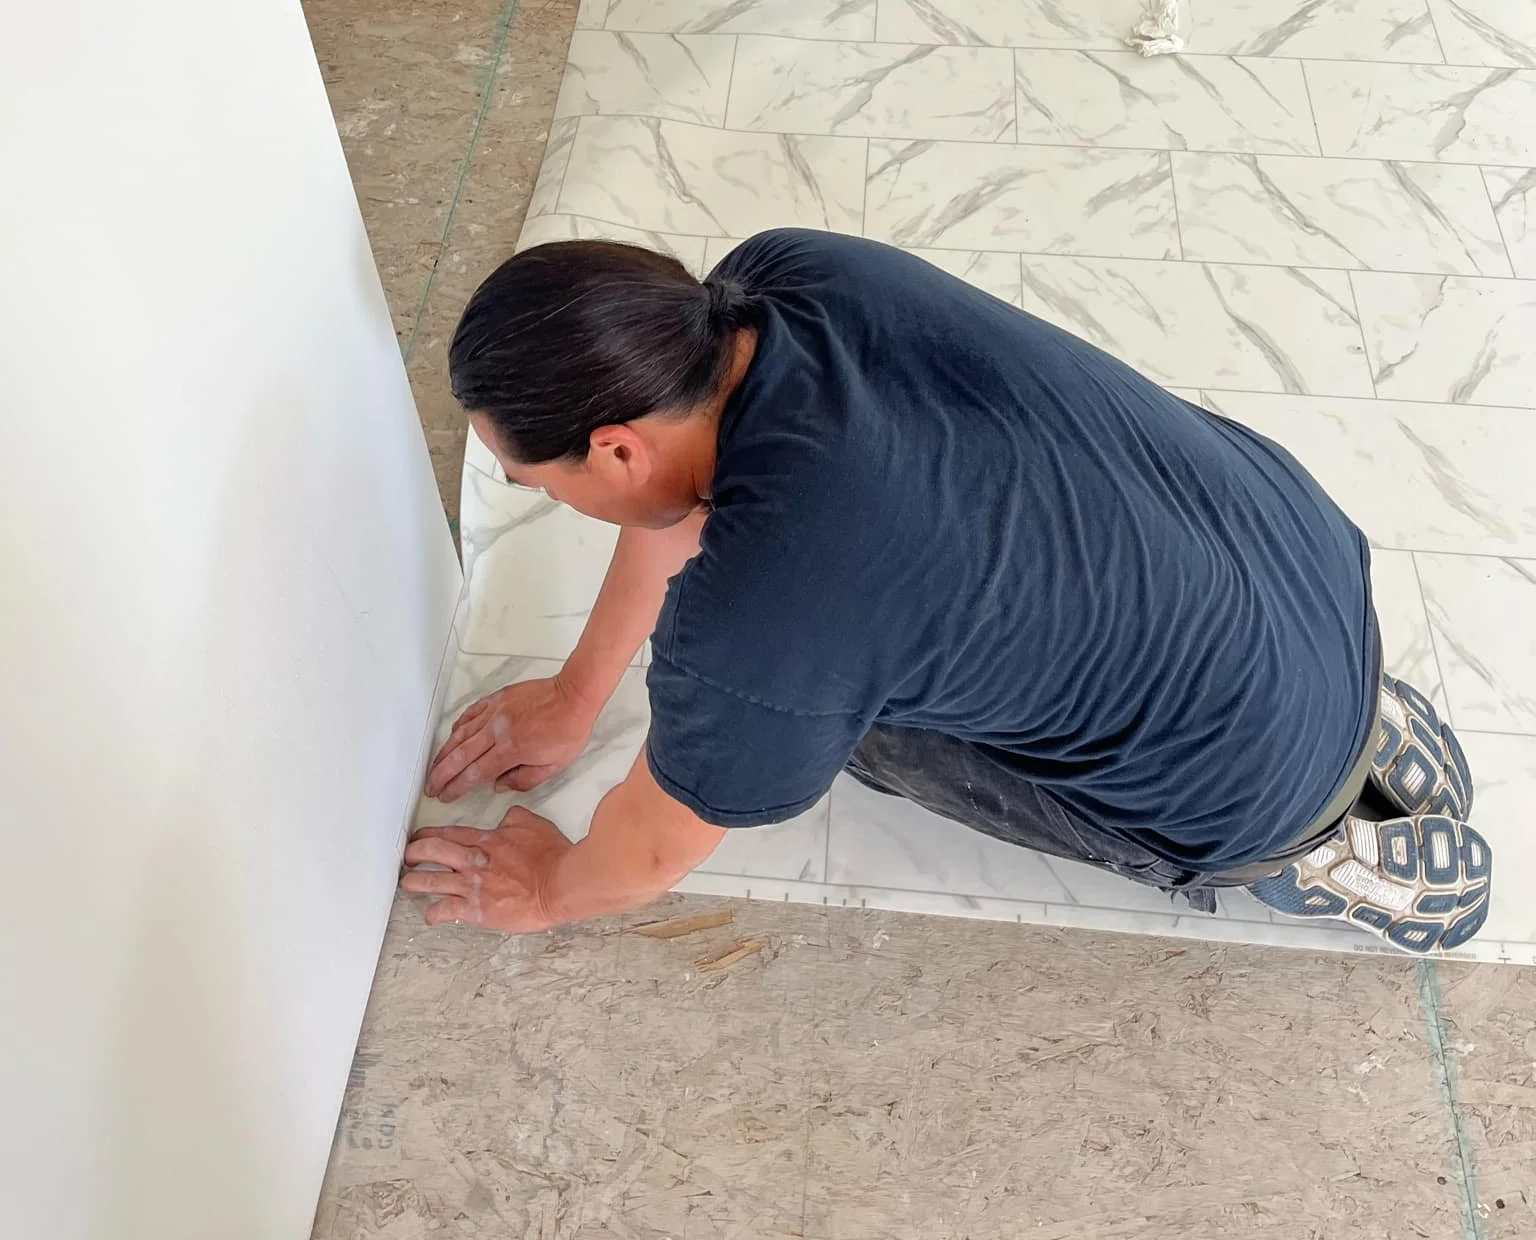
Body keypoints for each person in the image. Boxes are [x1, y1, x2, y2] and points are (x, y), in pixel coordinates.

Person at [403, 231, 1491, 953]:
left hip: (1247, 786)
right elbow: (682, 507)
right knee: (880, 634)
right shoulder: (779, 278)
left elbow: (645, 850)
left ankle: (1316, 849)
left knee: (844, 731)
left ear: (616, 447)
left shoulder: (757, 629)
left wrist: (545, 886)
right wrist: (577, 692)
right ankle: (1354, 720)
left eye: (533, 477)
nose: (525, 489)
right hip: (1299, 568)